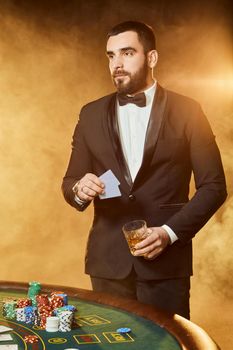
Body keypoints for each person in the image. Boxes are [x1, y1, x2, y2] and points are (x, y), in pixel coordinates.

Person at [62, 21, 227, 319]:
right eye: (111, 56)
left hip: (165, 262)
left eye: (127, 53)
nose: (117, 64)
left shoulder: (189, 110)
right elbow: (71, 182)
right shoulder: (90, 113)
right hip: (107, 264)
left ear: (151, 58)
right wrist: (79, 189)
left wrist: (169, 233)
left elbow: (214, 186)